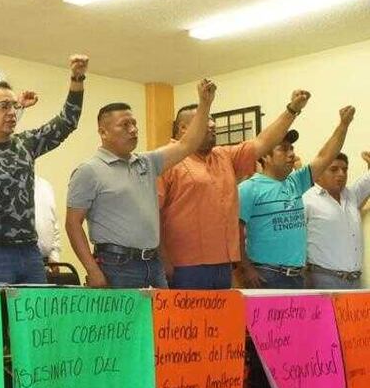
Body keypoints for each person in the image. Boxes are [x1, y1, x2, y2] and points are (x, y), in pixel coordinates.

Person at [0, 55, 89, 283]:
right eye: (3, 107)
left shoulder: (25, 145)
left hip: (30, 253)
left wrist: (77, 79)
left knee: (34, 318)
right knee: (1, 317)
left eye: (14, 106)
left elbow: (67, 122)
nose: (11, 112)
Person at [65, 79, 215, 289]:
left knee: (161, 322)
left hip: (153, 264)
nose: (133, 130)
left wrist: (205, 104)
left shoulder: (147, 162)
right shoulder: (89, 171)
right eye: (124, 125)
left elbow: (187, 144)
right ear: (103, 132)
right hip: (116, 265)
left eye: (134, 124)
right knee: (123, 323)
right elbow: (73, 224)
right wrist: (92, 270)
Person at [158, 90, 312, 289]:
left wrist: (292, 110)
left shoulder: (224, 156)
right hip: (185, 267)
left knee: (221, 321)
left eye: (213, 120)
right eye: (205, 120)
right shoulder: (166, 160)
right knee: (190, 322)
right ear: (183, 128)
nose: (213, 125)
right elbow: (153, 215)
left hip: (223, 266)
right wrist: (163, 260)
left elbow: (262, 142)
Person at [237, 105, 355, 289]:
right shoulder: (248, 189)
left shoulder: (296, 182)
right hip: (266, 276)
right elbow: (234, 232)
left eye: (291, 148)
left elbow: (325, 156)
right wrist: (246, 268)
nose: (291, 153)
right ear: (265, 157)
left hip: (298, 277)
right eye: (283, 149)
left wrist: (343, 125)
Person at [303, 151, 370, 289]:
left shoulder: (351, 196)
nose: (341, 174)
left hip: (354, 280)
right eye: (334, 169)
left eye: (344, 169)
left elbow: (366, 182)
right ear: (319, 172)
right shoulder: (307, 199)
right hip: (322, 280)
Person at [34, 174, 61, 263]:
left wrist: (54, 255)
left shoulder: (45, 185)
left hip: (43, 262)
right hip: (9, 262)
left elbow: (53, 223)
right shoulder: (1, 185)